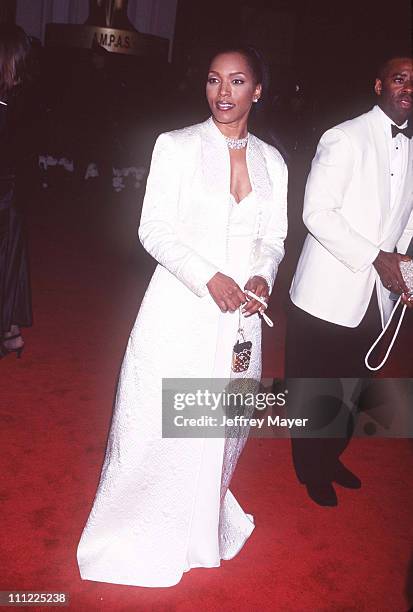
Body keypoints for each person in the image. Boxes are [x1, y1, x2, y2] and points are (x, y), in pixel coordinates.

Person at [77, 45, 288, 587]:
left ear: (257, 90)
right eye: (214, 80)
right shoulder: (175, 146)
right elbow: (154, 229)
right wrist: (206, 276)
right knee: (159, 421)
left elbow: (275, 237)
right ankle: (142, 528)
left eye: (237, 82)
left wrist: (262, 274)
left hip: (243, 315)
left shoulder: (273, 161)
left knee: (224, 422)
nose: (223, 93)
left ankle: (202, 522)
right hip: (181, 306)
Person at [285, 56, 413, 506]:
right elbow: (316, 212)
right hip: (326, 292)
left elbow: (408, 220)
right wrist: (377, 258)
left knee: (352, 390)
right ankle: (310, 469)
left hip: (376, 297)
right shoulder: (344, 136)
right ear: (379, 85)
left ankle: (331, 456)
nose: (408, 88)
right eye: (400, 79)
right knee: (315, 389)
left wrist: (406, 269)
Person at [0, 24, 33, 358]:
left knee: (6, 260)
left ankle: (8, 332)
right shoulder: (20, 95)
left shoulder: (11, 100)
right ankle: (10, 332)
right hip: (13, 192)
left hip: (6, 193)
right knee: (10, 260)